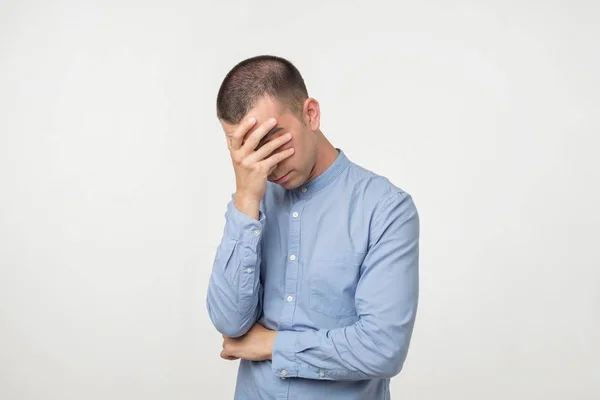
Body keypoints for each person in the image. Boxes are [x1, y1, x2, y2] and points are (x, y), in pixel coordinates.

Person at [206, 55, 420, 400]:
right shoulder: (253, 203)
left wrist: (271, 345)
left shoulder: (385, 208)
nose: (268, 163)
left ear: (310, 114)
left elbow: (382, 347)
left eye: (273, 139)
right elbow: (230, 323)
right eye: (247, 148)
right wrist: (246, 198)